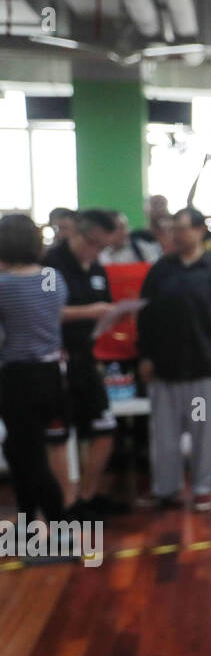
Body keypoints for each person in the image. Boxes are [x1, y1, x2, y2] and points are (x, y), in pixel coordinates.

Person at [136, 208, 211, 512]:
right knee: (164, 435)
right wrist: (145, 355)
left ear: (199, 231)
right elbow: (146, 316)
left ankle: (202, 487)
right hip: (165, 366)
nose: (176, 235)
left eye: (182, 228)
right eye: (173, 229)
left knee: (202, 432)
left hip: (202, 366)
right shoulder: (161, 269)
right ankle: (165, 489)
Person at [42, 209, 124, 517]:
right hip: (56, 359)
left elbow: (104, 306)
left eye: (104, 246)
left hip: (87, 357)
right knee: (59, 435)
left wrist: (112, 315)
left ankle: (88, 495)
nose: (98, 251)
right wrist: (91, 311)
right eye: (94, 244)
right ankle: (66, 503)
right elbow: (46, 312)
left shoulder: (98, 267)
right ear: (77, 234)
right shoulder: (51, 266)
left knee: (104, 427)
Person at [0, 214, 68, 522]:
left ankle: (58, 525)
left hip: (17, 377)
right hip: (51, 374)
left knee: (31, 458)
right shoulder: (54, 278)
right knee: (20, 450)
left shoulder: (3, 285)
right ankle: (28, 523)